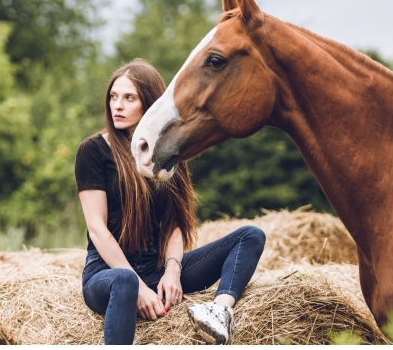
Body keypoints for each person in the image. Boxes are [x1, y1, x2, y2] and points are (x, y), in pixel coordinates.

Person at [74, 58, 266, 345]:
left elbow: (175, 221)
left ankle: (219, 310)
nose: (118, 105)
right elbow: (97, 230)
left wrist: (172, 272)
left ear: (149, 103)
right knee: (125, 281)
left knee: (250, 235)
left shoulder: (167, 152)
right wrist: (139, 288)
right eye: (114, 97)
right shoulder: (94, 151)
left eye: (129, 98)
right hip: (109, 275)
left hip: (158, 271)